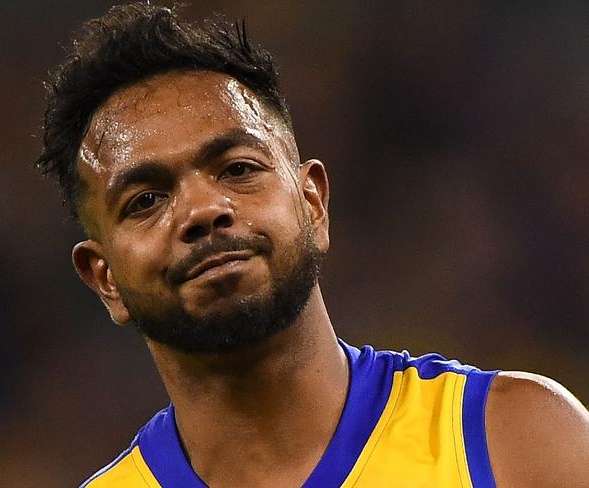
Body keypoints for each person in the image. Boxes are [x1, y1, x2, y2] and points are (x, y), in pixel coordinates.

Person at [37, 3, 589, 487]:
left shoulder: (519, 444)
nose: (203, 211)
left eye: (238, 168)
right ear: (105, 278)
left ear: (313, 203)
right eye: (146, 201)